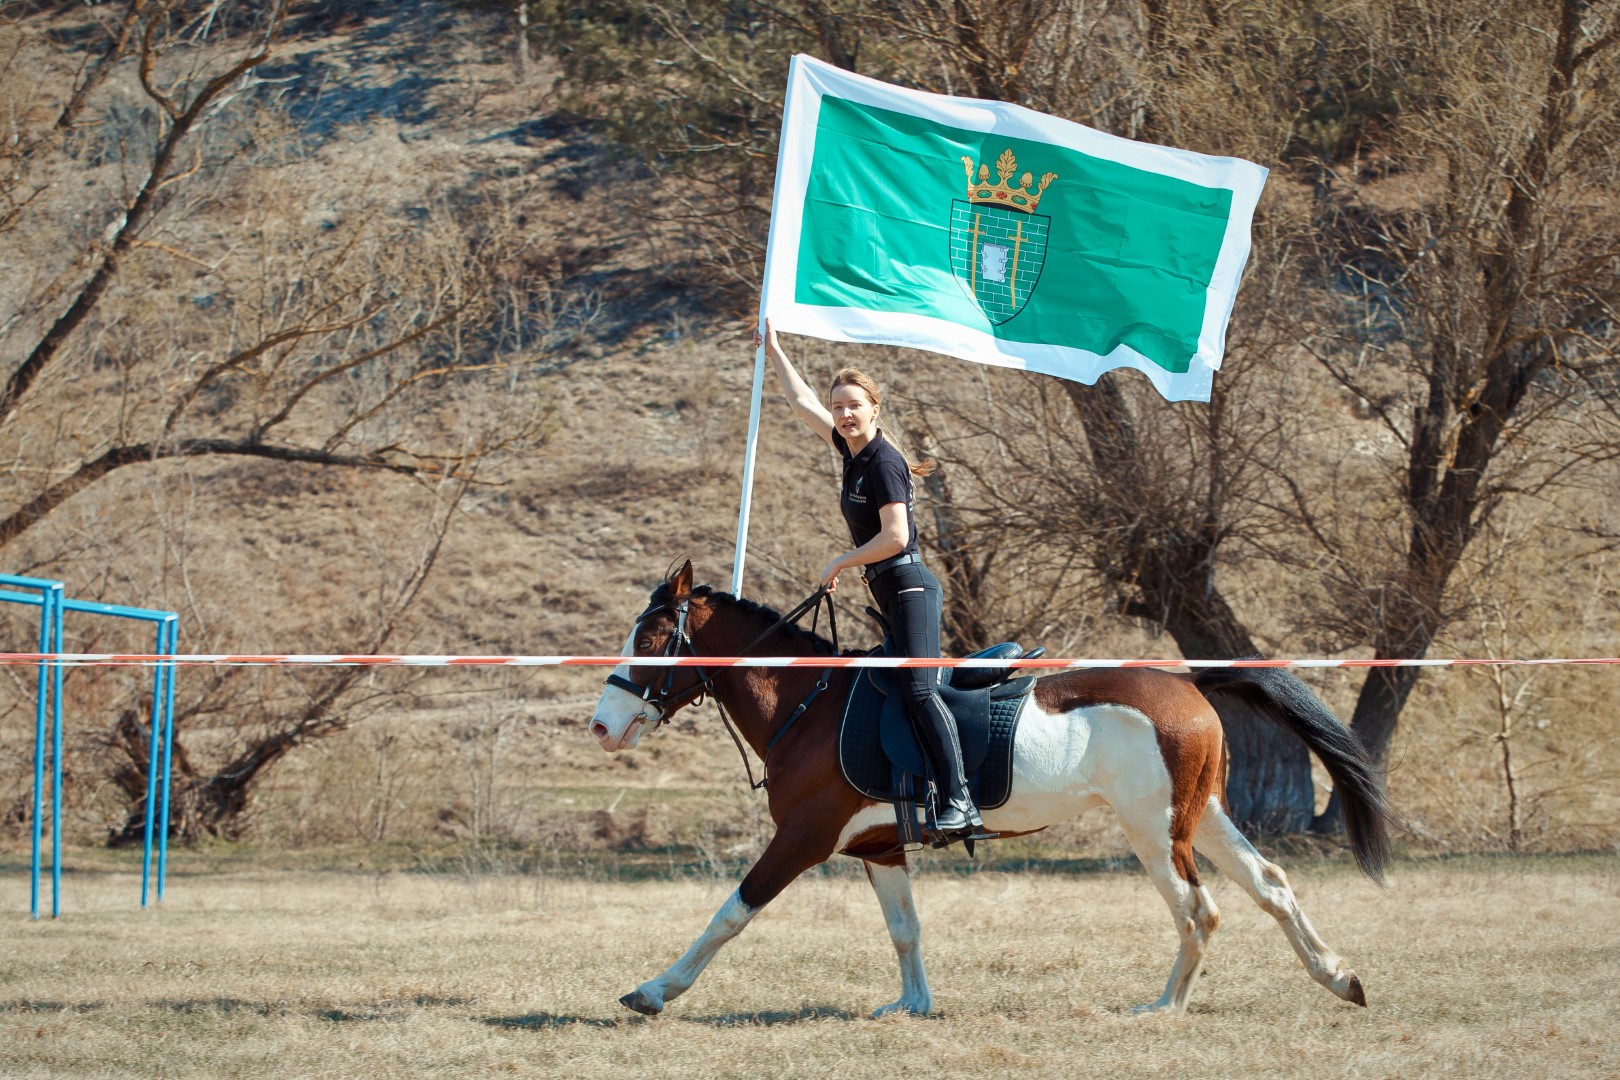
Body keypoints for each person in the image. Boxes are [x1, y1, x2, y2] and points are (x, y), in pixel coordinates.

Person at [757, 320, 981, 837]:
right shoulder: (851, 452)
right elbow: (801, 403)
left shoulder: (882, 462)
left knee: (920, 690)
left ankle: (961, 800)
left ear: (874, 408)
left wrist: (841, 562)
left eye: (854, 405)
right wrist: (775, 350)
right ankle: (909, 795)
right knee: (894, 689)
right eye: (838, 406)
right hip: (887, 591)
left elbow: (896, 537)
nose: (843, 415)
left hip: (909, 586)